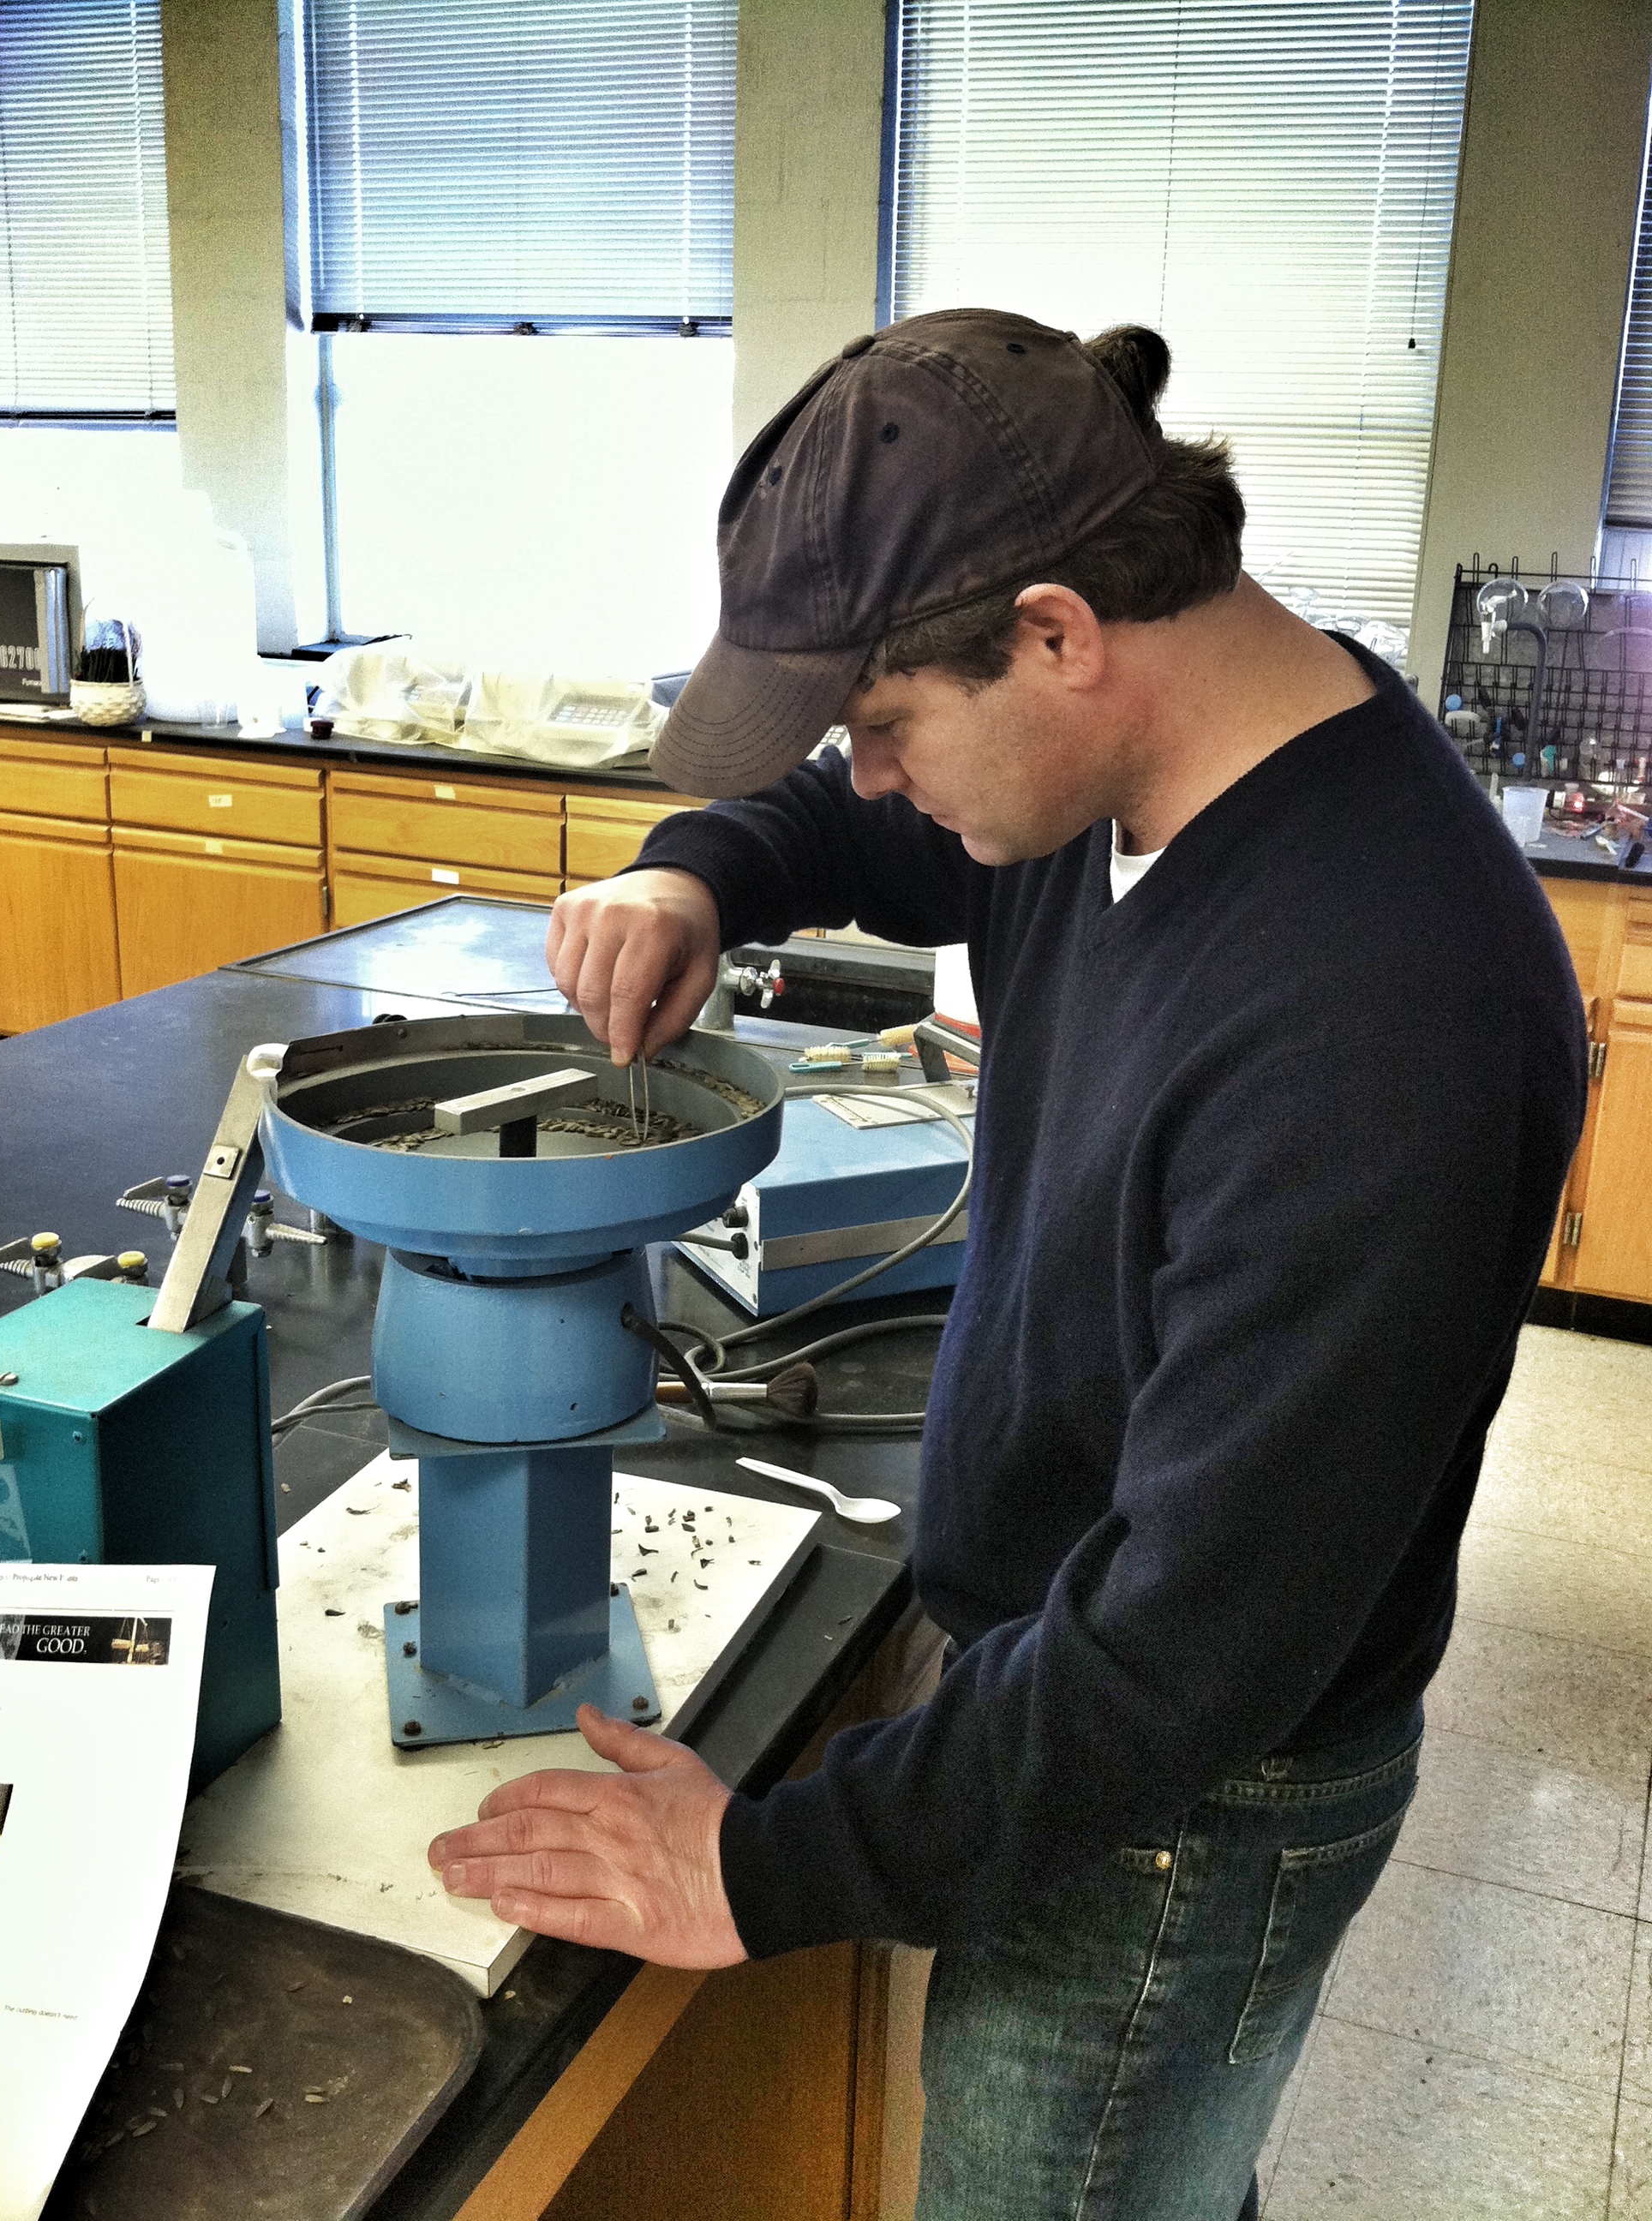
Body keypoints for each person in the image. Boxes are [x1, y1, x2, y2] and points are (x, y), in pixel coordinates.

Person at [428, 308, 1586, 2219]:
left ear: (1055, 632)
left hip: (1178, 1810)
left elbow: (1181, 1658)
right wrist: (695, 867)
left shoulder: (1389, 1004)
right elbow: (864, 839)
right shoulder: (1132, 767)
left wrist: (760, 1870)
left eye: (881, 727)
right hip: (1069, 1690)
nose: (871, 780)